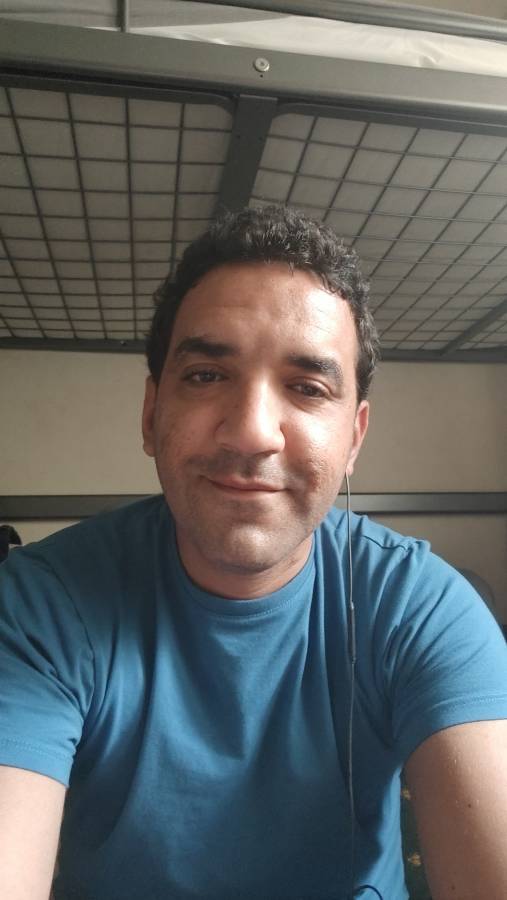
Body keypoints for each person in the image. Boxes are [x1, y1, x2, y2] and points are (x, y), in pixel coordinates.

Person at [0, 206, 506, 900]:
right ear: (150, 414)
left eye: (307, 387)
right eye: (207, 375)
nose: (251, 433)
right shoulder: (39, 607)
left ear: (353, 439)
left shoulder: (423, 608)